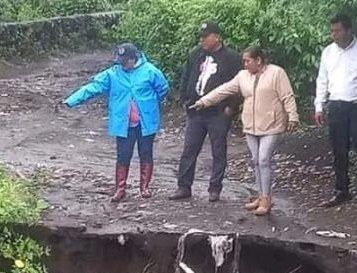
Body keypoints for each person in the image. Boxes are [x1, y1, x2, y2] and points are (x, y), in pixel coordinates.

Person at [191, 46, 299, 216]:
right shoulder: (243, 76)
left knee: (264, 159)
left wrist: (293, 116)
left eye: (248, 61)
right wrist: (204, 101)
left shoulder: (276, 73)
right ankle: (260, 195)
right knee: (256, 160)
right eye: (244, 61)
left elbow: (287, 95)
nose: (245, 64)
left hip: (272, 123)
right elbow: (224, 90)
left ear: (259, 60)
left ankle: (266, 198)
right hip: (251, 124)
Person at [64, 43, 170, 202]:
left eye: (125, 61)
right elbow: (93, 87)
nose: (122, 64)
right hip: (123, 122)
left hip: (146, 121)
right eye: (120, 61)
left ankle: (144, 187)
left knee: (146, 153)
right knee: (123, 155)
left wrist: (150, 104)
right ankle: (120, 188)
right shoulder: (113, 74)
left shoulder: (150, 71)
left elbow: (163, 89)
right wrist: (71, 100)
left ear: (134, 59)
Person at [314, 13, 357, 207]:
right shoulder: (328, 52)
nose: (333, 35)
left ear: (348, 30)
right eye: (332, 31)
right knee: (339, 148)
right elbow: (322, 80)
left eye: (337, 31)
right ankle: (341, 190)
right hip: (336, 104)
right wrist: (319, 105)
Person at [169, 21, 241, 202]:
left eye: (206, 36)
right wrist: (184, 97)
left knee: (218, 150)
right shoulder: (196, 54)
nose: (202, 40)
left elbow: (239, 84)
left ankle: (215, 188)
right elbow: (186, 76)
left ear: (217, 37)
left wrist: (231, 107)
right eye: (201, 36)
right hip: (195, 110)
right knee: (189, 149)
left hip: (218, 112)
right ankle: (184, 186)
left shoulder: (231, 58)